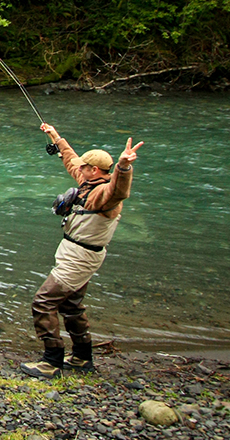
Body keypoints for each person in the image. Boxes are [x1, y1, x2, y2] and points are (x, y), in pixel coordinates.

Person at [20, 123, 144, 379]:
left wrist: (124, 167)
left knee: (43, 303)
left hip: (80, 258)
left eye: (85, 167)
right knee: (72, 306)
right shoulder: (88, 181)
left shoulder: (104, 195)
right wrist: (55, 136)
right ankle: (81, 358)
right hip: (77, 254)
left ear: (95, 170)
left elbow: (120, 190)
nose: (80, 169)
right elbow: (71, 160)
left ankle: (51, 362)